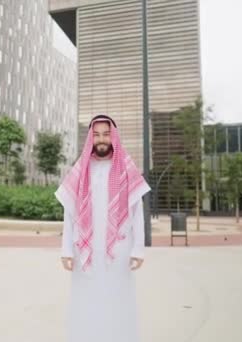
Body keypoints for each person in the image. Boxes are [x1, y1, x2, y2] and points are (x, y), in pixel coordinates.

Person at [55, 114, 151, 342]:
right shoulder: (80, 170)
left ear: (113, 137)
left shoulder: (127, 168)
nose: (101, 139)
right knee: (85, 302)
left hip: (118, 252)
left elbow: (137, 212)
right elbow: (69, 214)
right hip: (84, 252)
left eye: (106, 134)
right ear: (90, 138)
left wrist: (138, 249)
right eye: (96, 134)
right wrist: (66, 250)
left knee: (118, 301)